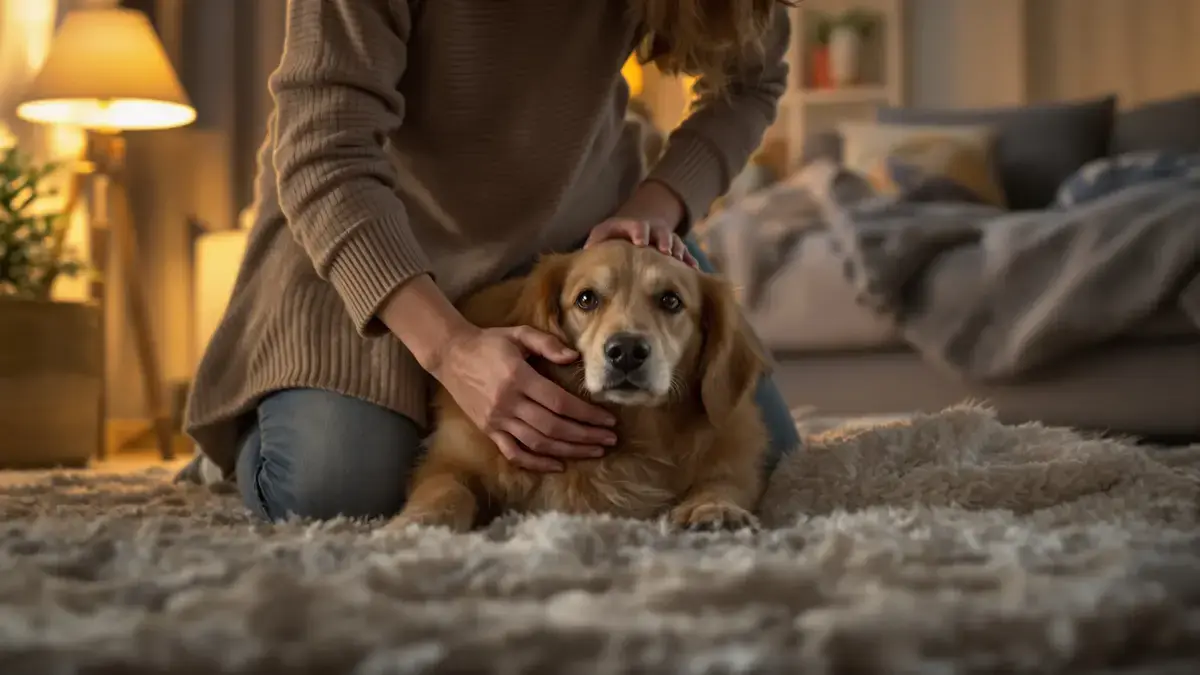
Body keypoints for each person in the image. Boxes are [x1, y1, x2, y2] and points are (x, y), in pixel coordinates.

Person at [182, 0, 802, 522]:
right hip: (365, 247)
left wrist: (654, 208)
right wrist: (451, 349)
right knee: (335, 489)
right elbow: (322, 150)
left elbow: (752, 81)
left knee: (759, 454)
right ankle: (251, 423)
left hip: (578, 249)